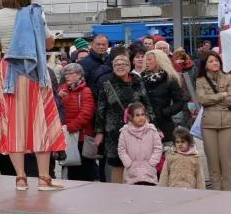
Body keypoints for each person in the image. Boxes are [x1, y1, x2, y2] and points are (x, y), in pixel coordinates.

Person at [0, 0, 66, 191]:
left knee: (12, 123)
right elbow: (49, 42)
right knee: (41, 121)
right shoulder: (34, 13)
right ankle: (43, 177)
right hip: (34, 71)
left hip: (8, 72)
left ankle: (20, 178)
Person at [94, 53, 152, 185]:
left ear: (129, 66)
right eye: (116, 64)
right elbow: (100, 109)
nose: (120, 67)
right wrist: (99, 132)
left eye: (123, 64)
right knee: (117, 164)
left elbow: (147, 104)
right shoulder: (107, 84)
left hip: (137, 129)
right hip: (114, 131)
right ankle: (117, 194)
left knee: (137, 163)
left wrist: (151, 123)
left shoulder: (138, 81)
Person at [194, 52, 231, 192]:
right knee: (213, 163)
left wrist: (213, 98)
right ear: (205, 65)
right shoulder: (200, 80)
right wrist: (222, 94)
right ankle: (215, 194)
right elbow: (202, 100)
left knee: (228, 163)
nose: (215, 63)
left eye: (217, 60)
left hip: (227, 123)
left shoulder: (229, 78)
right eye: (211, 61)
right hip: (209, 125)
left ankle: (229, 193)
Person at [57, 62, 97, 181]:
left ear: (79, 75)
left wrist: (70, 127)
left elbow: (87, 113)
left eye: (70, 73)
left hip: (82, 137)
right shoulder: (63, 91)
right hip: (69, 137)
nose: (67, 76)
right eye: (66, 74)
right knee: (72, 169)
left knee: (85, 170)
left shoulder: (85, 91)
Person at [142, 50, 188, 144]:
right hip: (144, 123)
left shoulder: (170, 79)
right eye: (146, 60)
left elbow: (180, 102)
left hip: (164, 124)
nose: (146, 62)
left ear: (159, 60)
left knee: (166, 155)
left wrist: (165, 112)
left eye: (149, 59)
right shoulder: (141, 79)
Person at [117, 102, 162, 186]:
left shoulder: (152, 130)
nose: (141, 117)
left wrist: (152, 162)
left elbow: (158, 148)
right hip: (132, 172)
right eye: (137, 115)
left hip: (149, 171)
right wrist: (128, 163)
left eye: (142, 114)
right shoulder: (124, 132)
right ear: (131, 117)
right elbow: (121, 149)